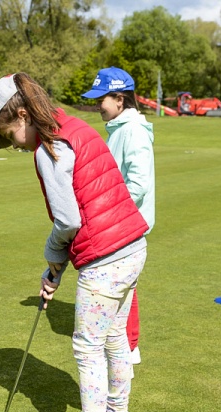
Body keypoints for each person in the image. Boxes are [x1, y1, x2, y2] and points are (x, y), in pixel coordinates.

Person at [0, 73, 148, 412]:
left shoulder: (48, 148)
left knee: (88, 347)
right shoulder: (75, 126)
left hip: (105, 257)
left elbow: (68, 221)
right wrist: (58, 265)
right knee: (114, 339)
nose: (12, 145)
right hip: (132, 247)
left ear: (21, 115)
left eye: (9, 135)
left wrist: (52, 258)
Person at [82, 67, 155, 367]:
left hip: (126, 223)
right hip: (120, 221)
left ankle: (130, 347)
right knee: (124, 288)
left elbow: (136, 184)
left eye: (102, 98)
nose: (97, 104)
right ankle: (127, 344)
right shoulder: (120, 128)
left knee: (124, 288)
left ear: (120, 100)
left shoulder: (133, 131)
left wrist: (105, 208)